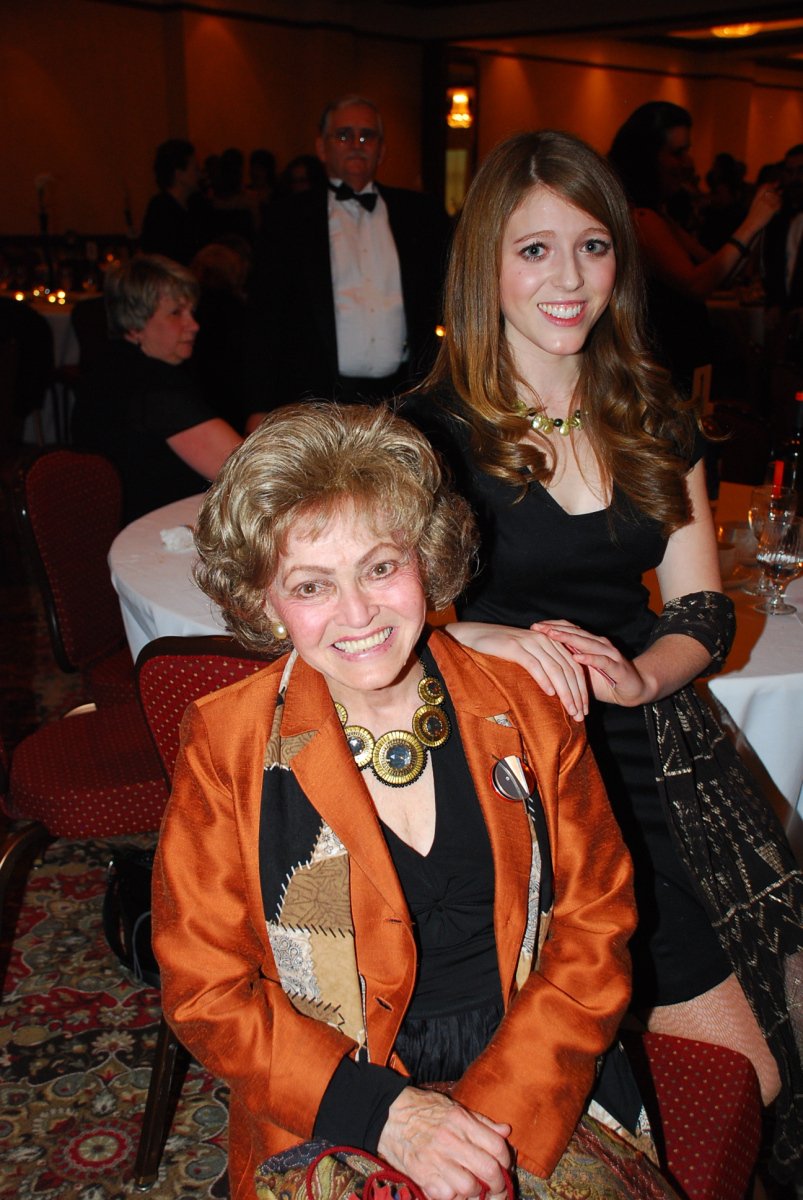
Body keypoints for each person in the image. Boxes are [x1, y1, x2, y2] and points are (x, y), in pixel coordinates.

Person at [152, 403, 681, 1200]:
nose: (357, 613)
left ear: (425, 560)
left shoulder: (524, 704)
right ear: (264, 603)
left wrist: (486, 1122)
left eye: (379, 567)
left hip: (533, 1075)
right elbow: (204, 989)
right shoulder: (227, 742)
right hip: (334, 1098)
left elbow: (595, 924)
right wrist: (387, 1116)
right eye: (311, 585)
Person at [402, 129, 803, 1184]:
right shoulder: (427, 433)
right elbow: (376, 627)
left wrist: (639, 674)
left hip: (651, 748)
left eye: (591, 246)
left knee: (772, 1045)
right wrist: (485, 633)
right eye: (533, 250)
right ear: (486, 265)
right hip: (505, 765)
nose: (568, 279)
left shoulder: (653, 413)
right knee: (702, 1068)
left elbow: (702, 609)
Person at [252, 96, 452, 407]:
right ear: (322, 148)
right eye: (344, 135)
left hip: (404, 397)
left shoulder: (420, 215)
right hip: (315, 396)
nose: (357, 145)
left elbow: (445, 299)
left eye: (367, 136)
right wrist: (258, 405)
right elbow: (264, 318)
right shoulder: (287, 219)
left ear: (381, 150)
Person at [608, 102, 780, 394]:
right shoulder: (640, 218)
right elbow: (696, 284)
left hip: (680, 357)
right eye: (677, 153)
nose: (687, 163)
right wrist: (752, 223)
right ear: (647, 157)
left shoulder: (658, 214)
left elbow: (714, 267)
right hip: (665, 361)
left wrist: (755, 227)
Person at [71, 254, 243, 523]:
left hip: (110, 524)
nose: (194, 325)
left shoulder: (110, 367)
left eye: (191, 312)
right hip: (154, 531)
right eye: (176, 313)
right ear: (135, 324)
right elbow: (247, 472)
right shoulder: (153, 386)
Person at [140, 139, 211, 266]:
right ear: (179, 175)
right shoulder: (160, 210)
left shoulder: (197, 205)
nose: (199, 174)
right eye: (195, 169)